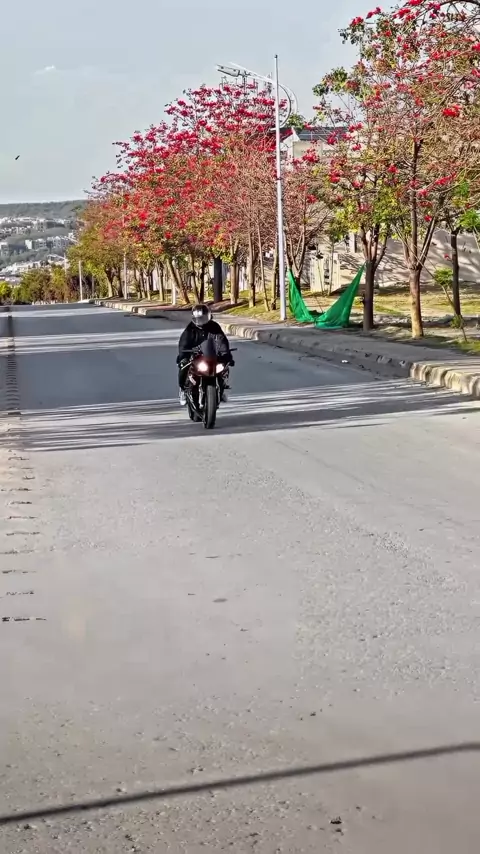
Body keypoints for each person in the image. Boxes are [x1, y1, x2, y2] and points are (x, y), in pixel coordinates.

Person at [177, 304, 234, 406]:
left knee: (224, 366)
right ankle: (183, 390)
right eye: (198, 318)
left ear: (208, 316)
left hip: (211, 355)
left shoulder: (214, 327)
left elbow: (222, 340)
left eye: (203, 318)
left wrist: (226, 354)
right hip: (195, 355)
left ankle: (222, 389)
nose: (201, 321)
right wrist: (183, 354)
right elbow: (183, 342)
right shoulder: (190, 329)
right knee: (183, 366)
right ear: (194, 318)